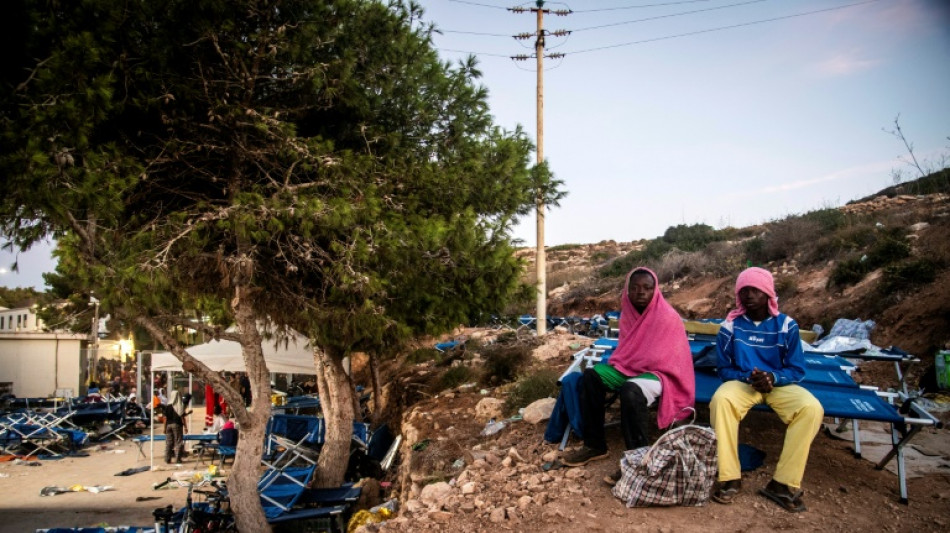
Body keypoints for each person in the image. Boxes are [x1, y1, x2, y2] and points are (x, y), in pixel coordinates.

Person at [560, 267, 695, 485]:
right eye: (635, 288)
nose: (641, 292)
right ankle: (595, 445)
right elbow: (629, 351)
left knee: (631, 390)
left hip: (659, 374)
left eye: (647, 288)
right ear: (627, 291)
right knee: (591, 377)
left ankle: (638, 461)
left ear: (655, 290)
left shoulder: (668, 317)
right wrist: (632, 365)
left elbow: (672, 360)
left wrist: (640, 365)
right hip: (629, 368)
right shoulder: (628, 315)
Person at [710, 267, 824, 512]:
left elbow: (797, 370)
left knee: (811, 408)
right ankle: (729, 477)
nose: (749, 295)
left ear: (768, 293)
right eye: (744, 290)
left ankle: (782, 484)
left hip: (778, 385)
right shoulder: (730, 326)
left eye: (755, 290)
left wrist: (773, 377)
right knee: (721, 400)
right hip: (744, 383)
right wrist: (749, 377)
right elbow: (724, 369)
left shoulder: (786, 326)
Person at [163, 390, 188, 464]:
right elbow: (182, 417)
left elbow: (165, 418)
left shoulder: (168, 406)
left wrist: (164, 428)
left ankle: (167, 459)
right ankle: (178, 459)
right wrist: (185, 427)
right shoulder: (179, 406)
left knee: (169, 442)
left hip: (168, 425)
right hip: (177, 425)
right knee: (178, 442)